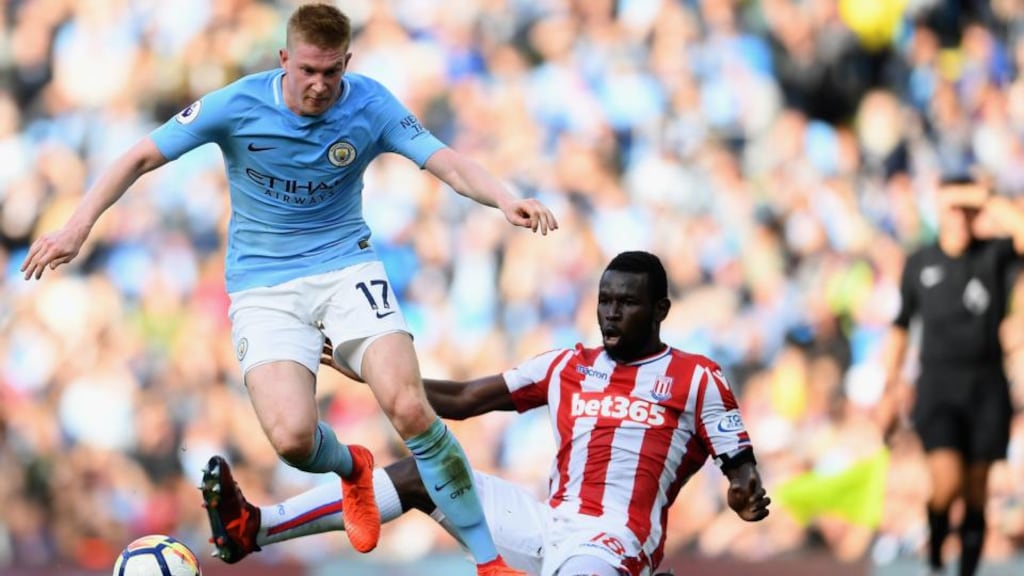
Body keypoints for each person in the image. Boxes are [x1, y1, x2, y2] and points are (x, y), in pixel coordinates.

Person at [20, 4, 557, 575]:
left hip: (347, 267)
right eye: (308, 71)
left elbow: (443, 160)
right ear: (284, 60)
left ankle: (489, 560)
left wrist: (503, 196)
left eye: (332, 72)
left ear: (347, 63)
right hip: (263, 285)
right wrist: (77, 226)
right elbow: (141, 154)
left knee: (408, 405)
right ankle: (352, 467)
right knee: (294, 440)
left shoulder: (370, 103)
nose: (321, 85)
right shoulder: (237, 104)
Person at [198, 251, 771, 576]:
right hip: (546, 523)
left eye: (627, 303)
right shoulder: (569, 364)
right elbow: (471, 399)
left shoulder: (698, 377)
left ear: (661, 309)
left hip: (615, 541)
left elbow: (740, 468)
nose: (611, 313)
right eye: (605, 300)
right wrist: (381, 377)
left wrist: (745, 495)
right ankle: (255, 528)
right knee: (422, 472)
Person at [878, 176, 1024, 576]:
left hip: (987, 385)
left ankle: (967, 571)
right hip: (938, 387)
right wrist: (889, 388)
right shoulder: (921, 262)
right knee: (946, 481)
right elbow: (901, 326)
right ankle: (937, 558)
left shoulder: (993, 255)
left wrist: (989, 197)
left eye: (966, 209)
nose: (959, 217)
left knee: (977, 491)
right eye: (951, 208)